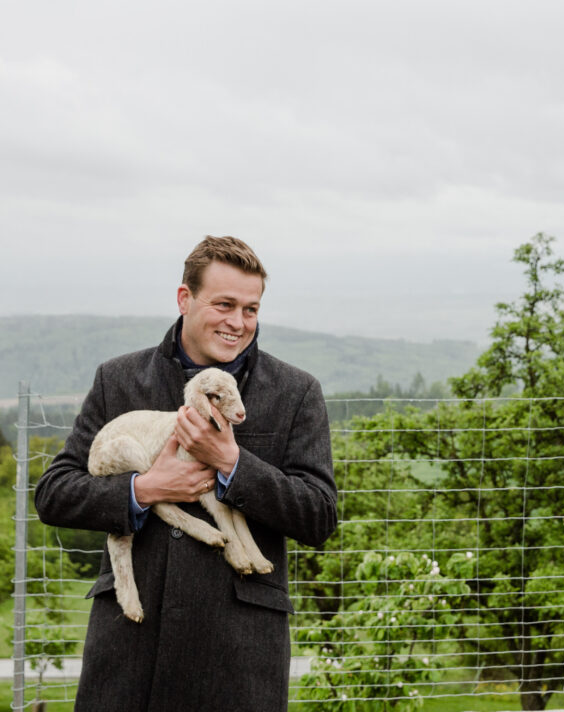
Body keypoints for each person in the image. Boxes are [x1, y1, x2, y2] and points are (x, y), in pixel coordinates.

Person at [35, 236, 338, 712]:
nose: (238, 323)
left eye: (251, 309)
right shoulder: (117, 379)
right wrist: (143, 489)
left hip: (237, 654)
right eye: (224, 304)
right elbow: (55, 493)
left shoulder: (296, 392)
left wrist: (232, 463)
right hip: (129, 651)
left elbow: (319, 515)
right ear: (184, 299)